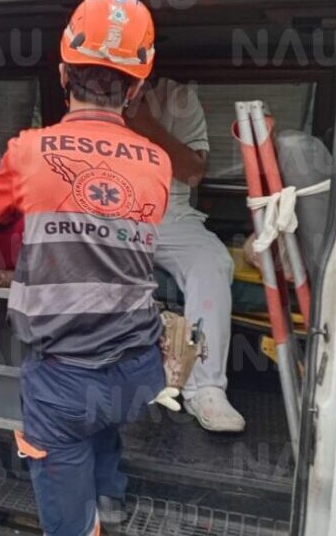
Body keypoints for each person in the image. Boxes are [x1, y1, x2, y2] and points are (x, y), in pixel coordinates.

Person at [0, 0, 170, 535]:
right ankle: (111, 502)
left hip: (64, 380)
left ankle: (92, 519)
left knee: (66, 517)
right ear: (135, 87)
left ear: (64, 74)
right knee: (105, 423)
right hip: (139, 367)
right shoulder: (157, 163)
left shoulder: (28, 150)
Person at [128, 77, 246, 432]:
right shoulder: (93, 94)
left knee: (212, 261)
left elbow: (194, 172)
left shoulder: (176, 96)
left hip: (170, 215)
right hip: (107, 214)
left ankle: (205, 388)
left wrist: (144, 122)